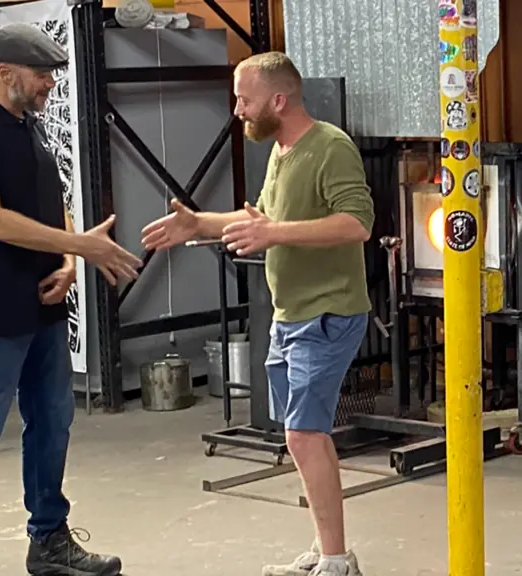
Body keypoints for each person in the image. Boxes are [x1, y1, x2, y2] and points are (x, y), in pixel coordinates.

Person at [141, 51, 373, 576]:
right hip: (291, 315)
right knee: (304, 436)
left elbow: (356, 223)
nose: (238, 109)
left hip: (328, 313)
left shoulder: (330, 148)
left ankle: (336, 560)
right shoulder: (281, 150)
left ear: (278, 99)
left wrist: (273, 234)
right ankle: (328, 550)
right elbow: (265, 219)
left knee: (302, 435)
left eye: (244, 99)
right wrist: (199, 223)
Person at [0, 23, 139, 576]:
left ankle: (48, 540)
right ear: (4, 71)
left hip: (40, 299)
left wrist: (68, 262)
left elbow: (55, 198)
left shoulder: (29, 126)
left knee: (52, 420)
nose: (49, 84)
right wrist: (80, 246)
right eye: (41, 74)